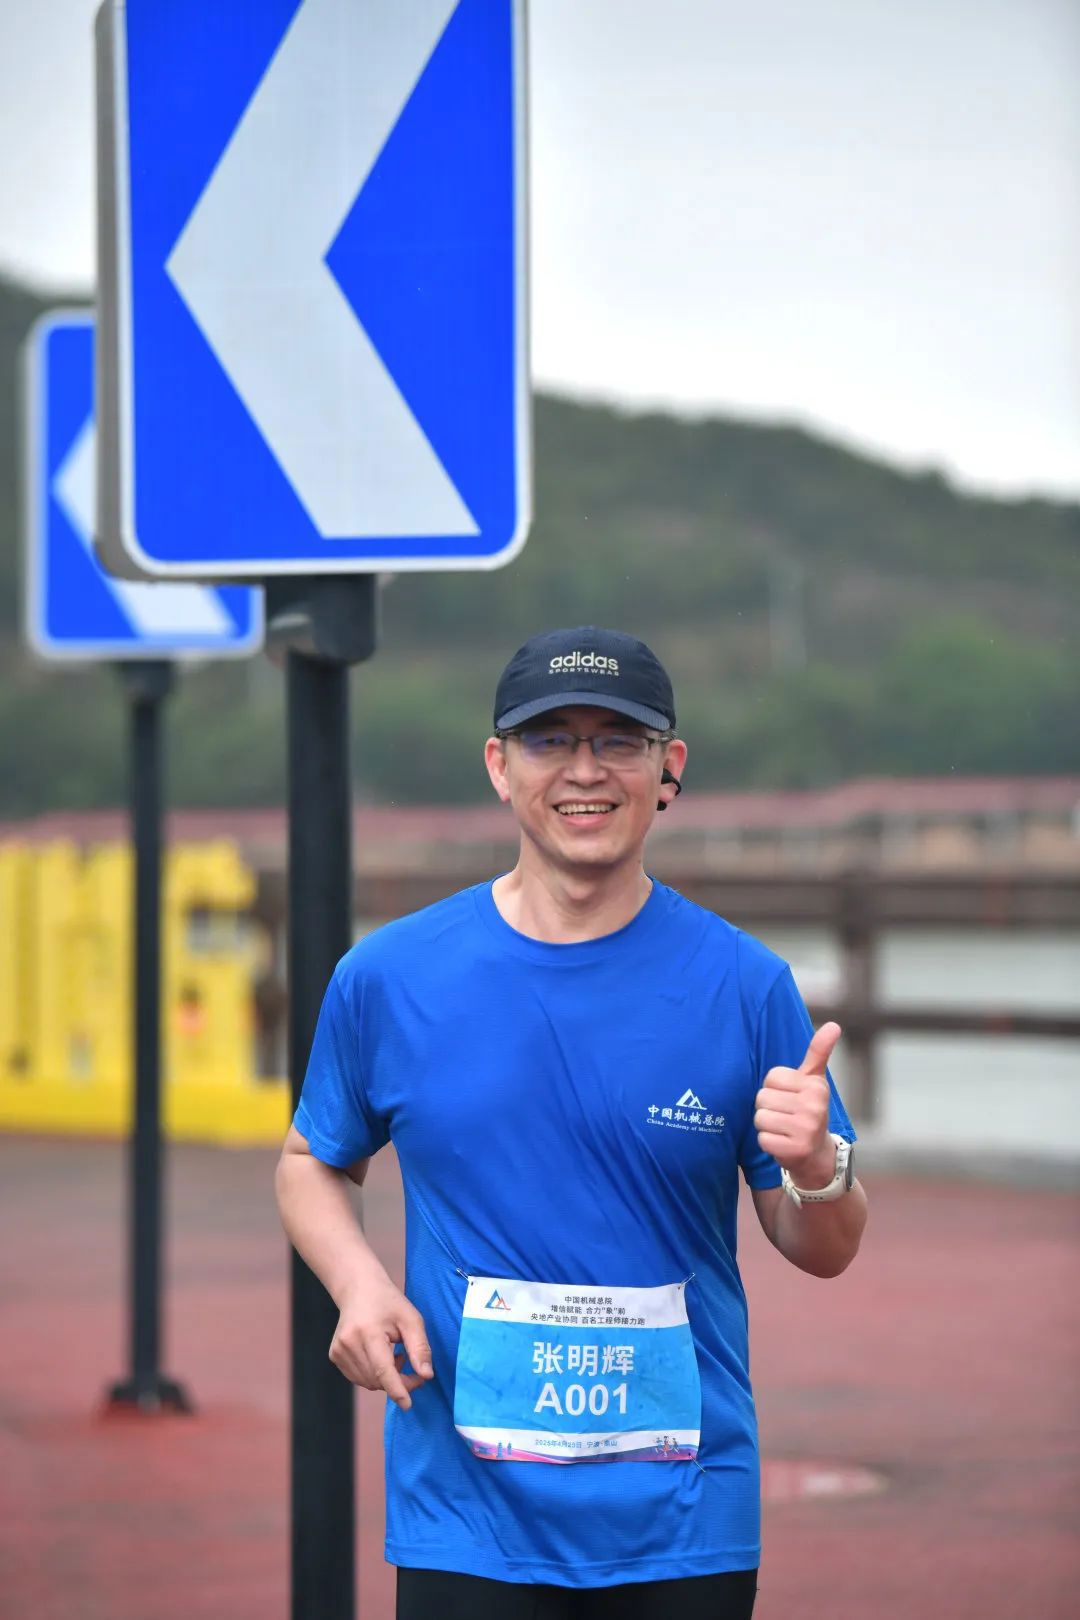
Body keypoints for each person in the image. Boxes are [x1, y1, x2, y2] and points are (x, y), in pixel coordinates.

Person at [275, 626, 868, 1620]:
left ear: (669, 768)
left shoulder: (743, 984)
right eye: (550, 740)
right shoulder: (390, 977)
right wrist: (358, 1285)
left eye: (619, 741)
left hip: (683, 1516)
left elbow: (827, 1248)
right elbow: (310, 1160)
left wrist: (815, 1167)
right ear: (499, 766)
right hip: (467, 1512)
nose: (585, 770)